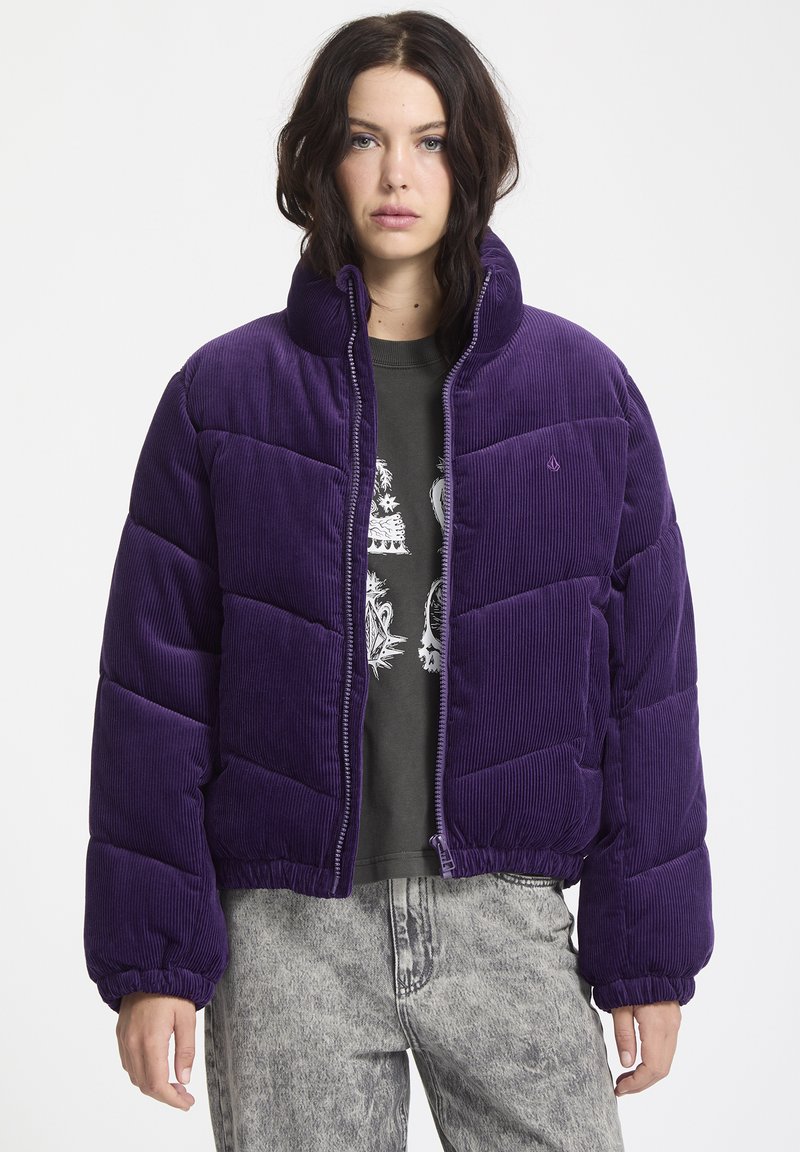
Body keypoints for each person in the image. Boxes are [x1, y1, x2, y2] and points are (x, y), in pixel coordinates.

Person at [83, 10, 714, 1151]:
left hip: (507, 920)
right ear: (320, 159)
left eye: (428, 142)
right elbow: (154, 690)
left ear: (471, 161)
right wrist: (154, 958)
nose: (395, 175)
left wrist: (648, 953)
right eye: (365, 139)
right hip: (288, 936)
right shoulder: (222, 398)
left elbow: (647, 689)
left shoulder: (583, 393)